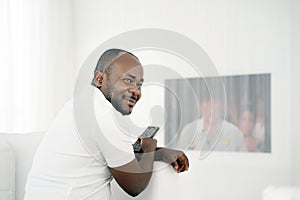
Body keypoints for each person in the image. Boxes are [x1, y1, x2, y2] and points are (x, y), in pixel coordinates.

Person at [24, 49, 189, 200]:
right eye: (128, 80)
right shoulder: (103, 116)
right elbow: (135, 185)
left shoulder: (80, 104)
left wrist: (159, 153)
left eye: (139, 85)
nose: (136, 91)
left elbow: (119, 155)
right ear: (100, 79)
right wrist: (150, 145)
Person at [177, 94, 246, 152]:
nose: (211, 108)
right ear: (201, 106)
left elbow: (243, 162)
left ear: (222, 106)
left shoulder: (234, 132)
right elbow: (178, 160)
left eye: (215, 103)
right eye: (207, 102)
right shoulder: (188, 131)